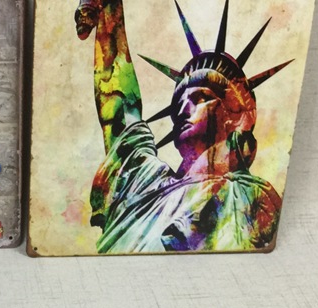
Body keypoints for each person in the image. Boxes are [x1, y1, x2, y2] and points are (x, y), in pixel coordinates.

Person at [75, 0, 291, 253]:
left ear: (236, 116)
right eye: (178, 102)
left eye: (200, 98)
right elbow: (119, 108)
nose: (181, 109)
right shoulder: (141, 185)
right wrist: (110, 8)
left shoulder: (251, 199)